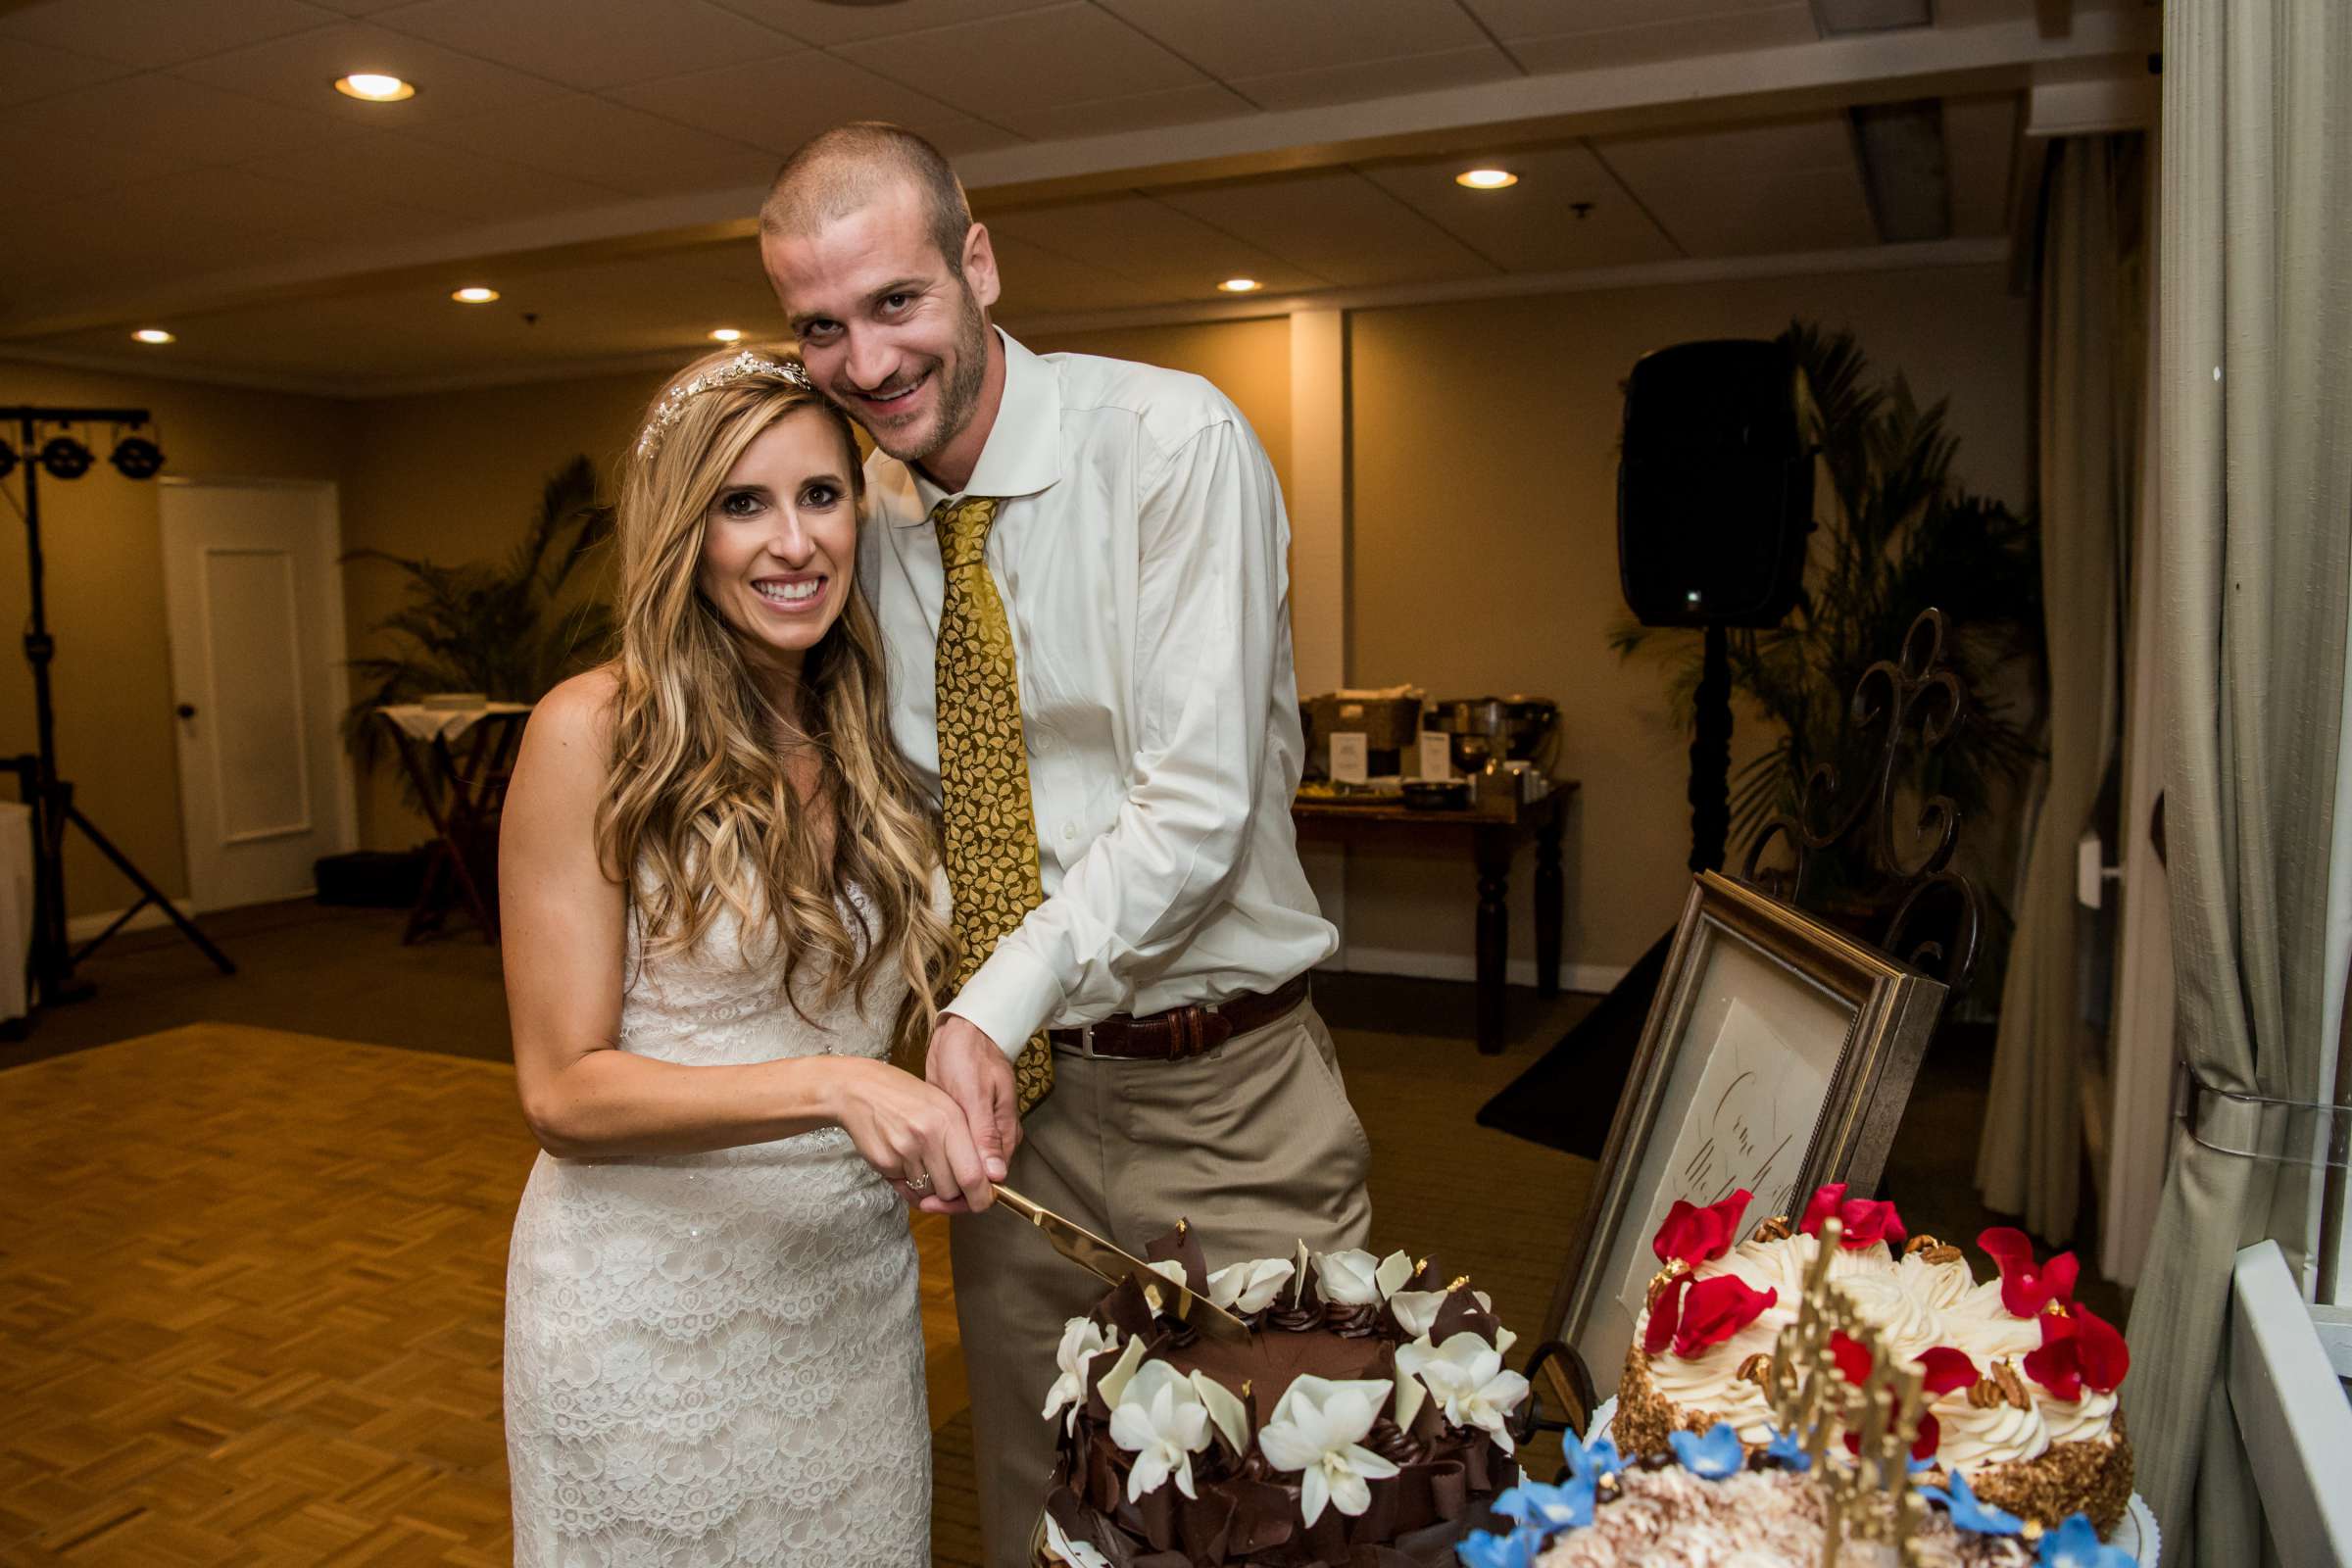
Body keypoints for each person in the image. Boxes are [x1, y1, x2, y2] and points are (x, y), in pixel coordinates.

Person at [760, 122, 1375, 1568]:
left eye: (895, 302)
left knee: (1286, 1516)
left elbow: (1198, 809)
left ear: (977, 264)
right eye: (820, 328)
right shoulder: (868, 517)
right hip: (1020, 1121)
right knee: (1049, 1516)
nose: (865, 363)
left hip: (1227, 1099)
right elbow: (910, 806)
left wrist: (988, 1003)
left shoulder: (1172, 444)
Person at [499, 346, 981, 1566]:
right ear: (682, 529)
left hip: (848, 1295)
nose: (793, 542)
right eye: (742, 503)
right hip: (646, 1308)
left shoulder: (876, 722)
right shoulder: (591, 732)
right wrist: (835, 1084)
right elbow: (562, 1091)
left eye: (821, 495)